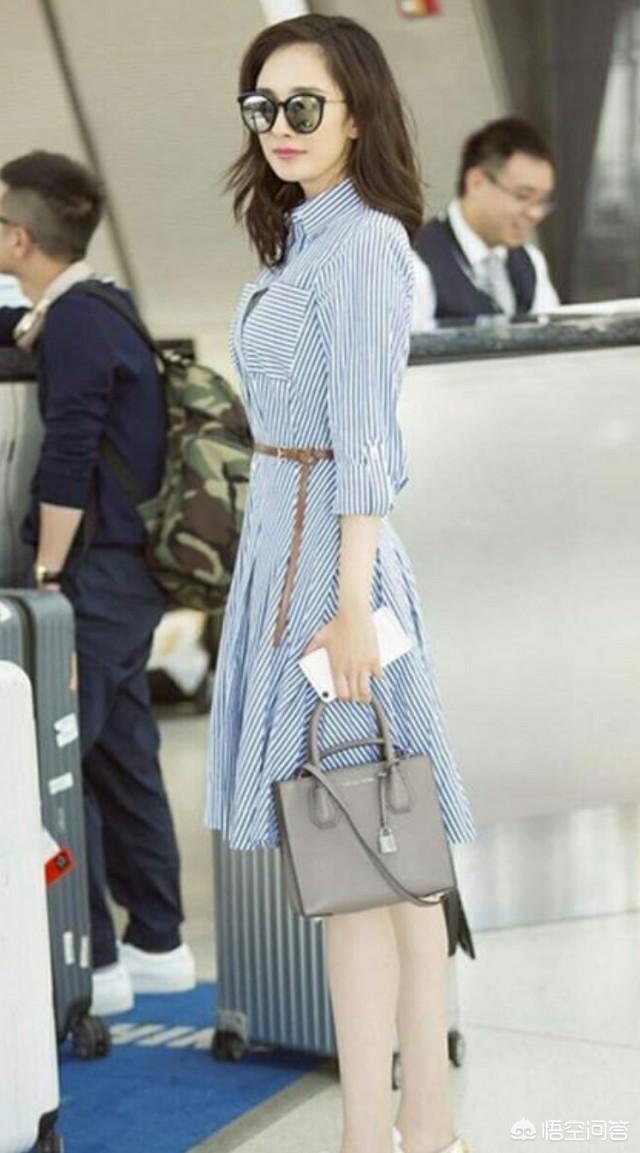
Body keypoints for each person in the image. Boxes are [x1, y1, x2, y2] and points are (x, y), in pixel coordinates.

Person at [205, 15, 476, 1153]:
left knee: (381, 846)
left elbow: (365, 441)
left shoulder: (362, 243)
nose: (279, 125)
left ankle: (408, 1123)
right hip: (292, 551)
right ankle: (395, 1125)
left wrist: (352, 604)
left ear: (357, 112)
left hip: (332, 566)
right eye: (262, 106)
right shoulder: (305, 237)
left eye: (303, 106)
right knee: (362, 858)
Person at [0, 151, 195, 1015]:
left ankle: (93, 961)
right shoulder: (98, 306)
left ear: (19, 237)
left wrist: (48, 576)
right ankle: (159, 942)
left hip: (94, 576)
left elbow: (71, 452)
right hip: (129, 573)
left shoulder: (75, 322)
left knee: (55, 761)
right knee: (121, 755)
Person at [412, 117, 559, 328]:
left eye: (543, 201)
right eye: (523, 196)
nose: (535, 213)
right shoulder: (416, 262)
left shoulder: (531, 262)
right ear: (476, 183)